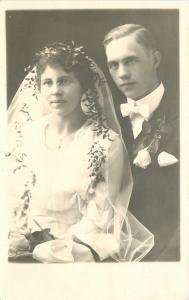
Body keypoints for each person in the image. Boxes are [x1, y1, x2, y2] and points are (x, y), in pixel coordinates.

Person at [7, 42, 154, 263]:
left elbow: (100, 216)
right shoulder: (26, 134)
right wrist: (20, 235)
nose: (55, 90)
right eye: (48, 82)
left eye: (64, 81)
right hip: (24, 244)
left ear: (84, 86)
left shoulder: (105, 143)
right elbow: (12, 196)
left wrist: (54, 247)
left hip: (79, 247)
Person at [103, 24, 179, 261]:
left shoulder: (181, 114)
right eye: (113, 65)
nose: (122, 73)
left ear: (155, 59)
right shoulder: (106, 121)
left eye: (131, 61)